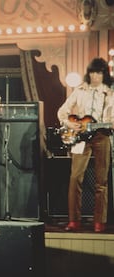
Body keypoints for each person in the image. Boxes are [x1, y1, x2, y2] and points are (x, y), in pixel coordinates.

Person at [57, 57, 114, 233]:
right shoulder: (79, 90)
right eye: (93, 72)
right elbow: (62, 111)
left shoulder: (110, 93)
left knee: (101, 181)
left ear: (104, 74)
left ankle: (100, 221)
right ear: (88, 73)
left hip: (102, 135)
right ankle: (74, 220)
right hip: (81, 136)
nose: (96, 76)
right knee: (75, 178)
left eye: (99, 72)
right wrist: (69, 123)